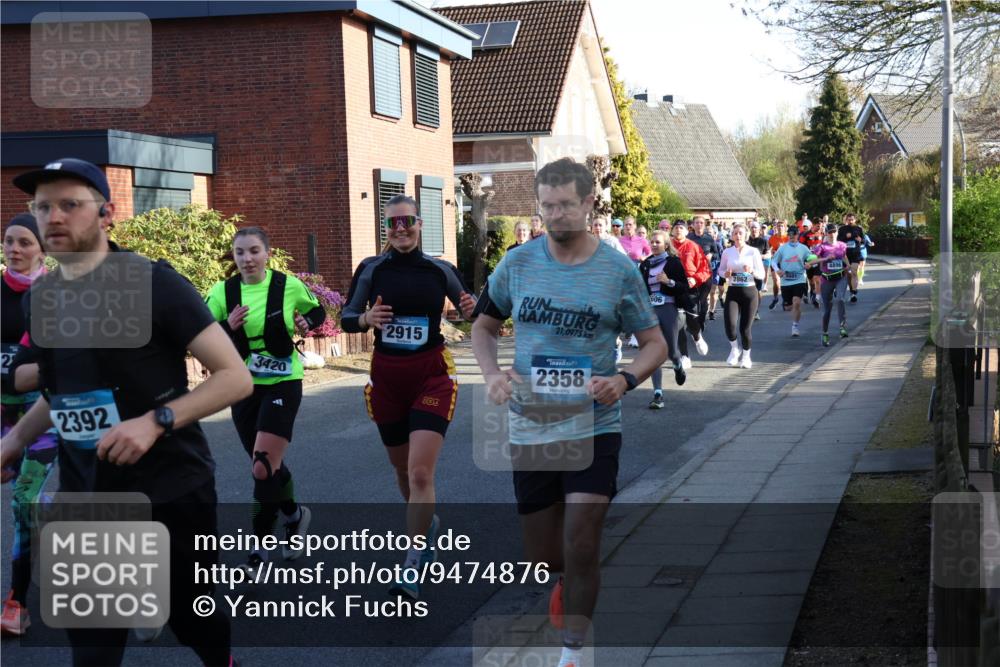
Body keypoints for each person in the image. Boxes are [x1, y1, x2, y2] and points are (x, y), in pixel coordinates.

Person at [0, 158, 250, 666]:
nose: (53, 218)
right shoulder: (42, 299)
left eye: (70, 204)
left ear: (107, 213)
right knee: (92, 646)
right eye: (43, 206)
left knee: (194, 618)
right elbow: (58, 391)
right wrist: (15, 439)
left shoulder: (155, 284)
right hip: (87, 496)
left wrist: (155, 422)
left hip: (170, 489)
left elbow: (234, 377)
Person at [471, 157, 667, 667]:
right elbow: (483, 328)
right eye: (547, 206)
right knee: (546, 557)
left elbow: (654, 344)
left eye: (565, 206)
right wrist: (493, 375)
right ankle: (562, 584)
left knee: (582, 542)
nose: (555, 215)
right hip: (532, 423)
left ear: (587, 204)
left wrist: (624, 380)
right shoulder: (517, 263)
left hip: (594, 424)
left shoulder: (618, 270)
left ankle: (572, 653)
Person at [341, 194, 476, 600]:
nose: (401, 230)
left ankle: (413, 561)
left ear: (421, 224)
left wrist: (471, 308)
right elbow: (347, 317)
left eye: (408, 222)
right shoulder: (371, 269)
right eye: (393, 224)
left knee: (420, 473)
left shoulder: (440, 269)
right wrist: (366, 318)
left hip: (431, 375)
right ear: (386, 228)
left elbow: (471, 310)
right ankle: (427, 525)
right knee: (401, 472)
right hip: (387, 378)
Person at [205, 227, 326, 573]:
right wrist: (227, 327)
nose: (247, 259)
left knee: (261, 464)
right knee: (267, 469)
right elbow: (201, 333)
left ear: (267, 253)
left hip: (283, 382)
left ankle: (258, 549)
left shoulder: (286, 285)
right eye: (240, 252)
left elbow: (317, 312)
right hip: (241, 384)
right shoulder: (222, 292)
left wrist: (306, 322)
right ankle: (294, 514)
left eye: (254, 251)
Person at [0, 214, 58, 637]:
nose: (14, 249)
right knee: (28, 501)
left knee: (23, 500)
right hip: (2, 415)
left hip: (45, 415)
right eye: (8, 241)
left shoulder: (56, 294)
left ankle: (16, 602)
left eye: (24, 242)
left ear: (42, 249)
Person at [639, 229, 690, 408]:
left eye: (657, 242)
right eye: (651, 242)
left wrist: (669, 282)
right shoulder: (645, 265)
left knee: (671, 351)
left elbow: (684, 287)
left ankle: (677, 364)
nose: (653, 244)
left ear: (666, 245)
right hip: (651, 310)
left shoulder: (673, 263)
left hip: (668, 308)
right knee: (654, 352)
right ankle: (658, 394)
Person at [718, 223, 765, 369]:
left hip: (750, 293)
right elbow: (720, 271)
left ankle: (746, 356)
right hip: (733, 291)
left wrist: (751, 272)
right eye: (735, 233)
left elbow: (761, 274)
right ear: (731, 236)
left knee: (745, 329)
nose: (738, 236)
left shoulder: (753, 252)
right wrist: (725, 274)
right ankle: (734, 348)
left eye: (740, 233)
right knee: (730, 326)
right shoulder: (727, 252)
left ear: (745, 235)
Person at [670, 220, 711, 369]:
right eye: (676, 228)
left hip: (691, 287)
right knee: (678, 321)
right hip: (673, 287)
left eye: (682, 228)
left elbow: (705, 270)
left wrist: (695, 278)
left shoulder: (693, 247)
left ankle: (697, 336)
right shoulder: (668, 247)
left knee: (693, 321)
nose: (679, 230)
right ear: (672, 231)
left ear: (687, 231)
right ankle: (685, 356)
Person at [810, 223, 852, 346]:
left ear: (837, 233)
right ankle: (825, 333)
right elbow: (813, 261)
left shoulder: (842, 245)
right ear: (826, 234)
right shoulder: (821, 247)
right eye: (830, 232)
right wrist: (825, 259)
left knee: (840, 299)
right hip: (826, 279)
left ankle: (842, 327)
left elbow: (844, 257)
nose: (832, 234)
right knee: (826, 309)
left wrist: (848, 266)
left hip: (840, 277)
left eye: (834, 232)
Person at [772, 225, 812, 338]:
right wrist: (777, 270)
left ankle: (795, 326)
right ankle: (790, 309)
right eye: (789, 234)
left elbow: (812, 259)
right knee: (789, 307)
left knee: (797, 302)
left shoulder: (803, 248)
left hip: (799, 279)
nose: (791, 236)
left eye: (794, 234)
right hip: (786, 281)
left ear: (798, 235)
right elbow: (774, 261)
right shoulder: (783, 248)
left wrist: (810, 264)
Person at [686, 217, 722, 326]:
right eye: (696, 222)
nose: (699, 225)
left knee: (703, 299)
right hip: (691, 273)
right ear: (693, 225)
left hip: (705, 273)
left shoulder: (709, 238)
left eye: (701, 223)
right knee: (692, 299)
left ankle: (701, 321)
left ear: (704, 224)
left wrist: (711, 255)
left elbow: (717, 254)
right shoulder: (688, 238)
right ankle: (692, 321)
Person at [836, 213, 866, 302]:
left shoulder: (859, 229)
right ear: (846, 220)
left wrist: (861, 240)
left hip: (856, 254)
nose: (850, 221)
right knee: (848, 275)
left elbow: (864, 241)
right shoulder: (842, 229)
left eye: (852, 219)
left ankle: (854, 292)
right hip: (845, 255)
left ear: (855, 220)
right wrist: (845, 237)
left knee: (854, 272)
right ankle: (851, 291)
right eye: (849, 219)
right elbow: (837, 241)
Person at [747, 222, 769, 320]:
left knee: (757, 291)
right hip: (746, 269)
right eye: (752, 227)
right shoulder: (745, 241)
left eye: (755, 228)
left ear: (759, 229)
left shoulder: (763, 241)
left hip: (757, 269)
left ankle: (756, 310)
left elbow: (768, 255)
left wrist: (761, 256)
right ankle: (749, 310)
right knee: (747, 290)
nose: (753, 229)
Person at [798, 219, 823, 308]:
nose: (819, 228)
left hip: (818, 259)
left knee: (817, 278)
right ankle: (812, 292)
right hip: (808, 260)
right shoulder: (805, 235)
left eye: (821, 226)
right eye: (818, 226)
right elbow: (799, 247)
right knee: (811, 281)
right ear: (813, 225)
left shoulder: (821, 234)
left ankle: (817, 298)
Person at [766, 220, 789, 310]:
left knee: (784, 282)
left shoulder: (788, 238)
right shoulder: (772, 238)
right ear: (776, 228)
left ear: (785, 228)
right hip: (775, 262)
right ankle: (775, 298)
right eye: (778, 226)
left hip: (786, 262)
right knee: (776, 281)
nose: (780, 228)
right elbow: (768, 250)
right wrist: (772, 252)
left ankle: (784, 299)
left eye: (782, 226)